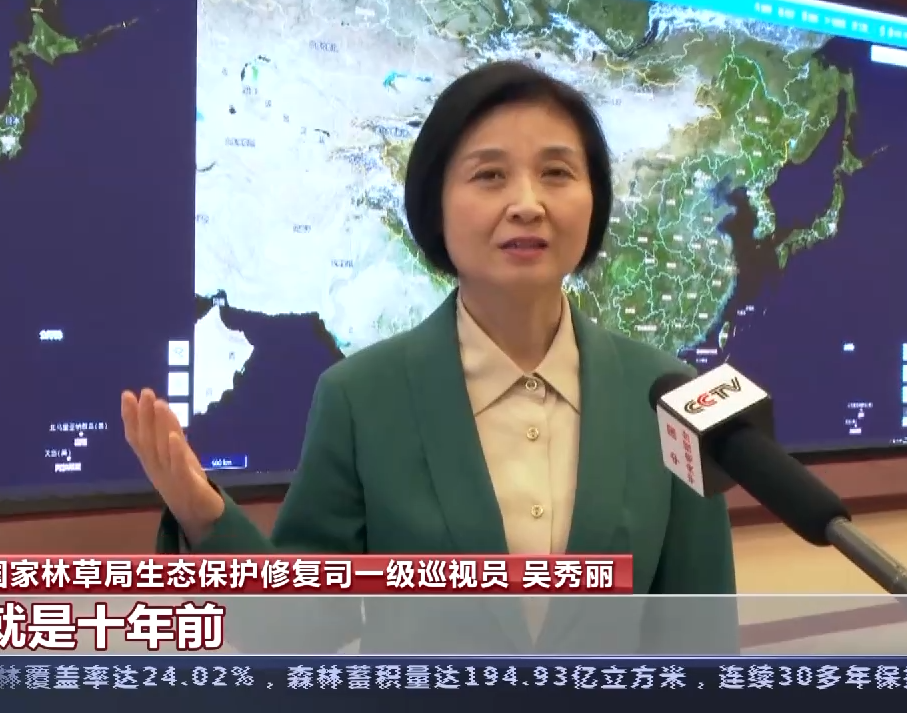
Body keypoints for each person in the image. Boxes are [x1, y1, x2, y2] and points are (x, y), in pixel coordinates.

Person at [122, 60, 742, 654]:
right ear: (435, 205)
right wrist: (203, 517)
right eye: (490, 175)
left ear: (594, 200)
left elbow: (699, 644)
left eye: (557, 172)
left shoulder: (669, 395)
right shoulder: (362, 398)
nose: (528, 203)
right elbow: (301, 626)